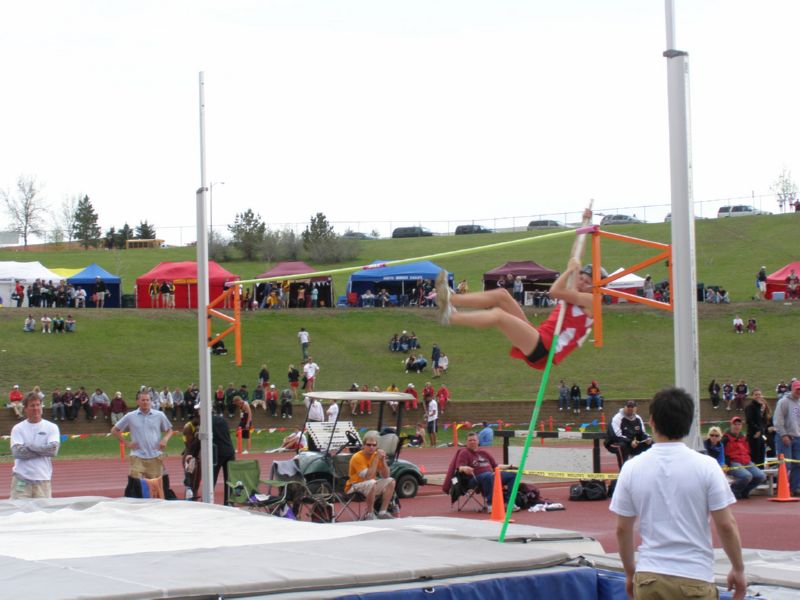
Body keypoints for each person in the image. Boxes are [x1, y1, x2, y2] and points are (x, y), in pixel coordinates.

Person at [610, 388, 745, 600]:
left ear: (652, 422)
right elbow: (726, 525)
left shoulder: (631, 468)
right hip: (694, 576)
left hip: (650, 576)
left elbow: (622, 529)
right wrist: (738, 568)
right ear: (690, 424)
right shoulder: (707, 466)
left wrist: (629, 572)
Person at [435, 209, 595, 371]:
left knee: (499, 316)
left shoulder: (591, 302)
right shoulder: (575, 294)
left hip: (545, 349)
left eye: (587, 282)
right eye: (581, 278)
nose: (581, 282)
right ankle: (450, 298)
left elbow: (555, 290)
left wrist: (569, 270)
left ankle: (452, 317)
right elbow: (576, 256)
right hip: (538, 335)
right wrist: (585, 223)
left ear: (595, 287)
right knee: (502, 295)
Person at [111, 390, 174, 479]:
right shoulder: (130, 416)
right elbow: (114, 430)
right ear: (138, 401)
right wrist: (127, 443)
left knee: (154, 485)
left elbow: (170, 430)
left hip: (154, 455)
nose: (145, 402)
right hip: (137, 455)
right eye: (143, 400)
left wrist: (165, 439)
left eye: (148, 400)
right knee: (135, 483)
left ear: (151, 401)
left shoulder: (159, 415)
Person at [9, 392, 60, 499]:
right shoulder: (18, 428)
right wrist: (42, 449)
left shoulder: (52, 427)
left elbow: (53, 450)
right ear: (25, 409)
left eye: (38, 405)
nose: (36, 408)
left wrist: (30, 447)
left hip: (43, 480)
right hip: (21, 480)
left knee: (43, 514)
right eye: (32, 405)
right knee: (18, 513)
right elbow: (18, 453)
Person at [451, 432, 517, 510]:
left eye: (474, 440)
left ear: (478, 441)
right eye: (470, 440)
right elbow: (459, 467)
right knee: (488, 476)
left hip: (491, 475)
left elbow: (495, 466)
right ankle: (490, 504)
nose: (472, 442)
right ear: (466, 442)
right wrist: (465, 468)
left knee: (513, 475)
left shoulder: (484, 452)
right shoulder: (464, 453)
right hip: (474, 479)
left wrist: (510, 466)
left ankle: (509, 502)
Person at [346, 430, 396, 520]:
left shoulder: (376, 455)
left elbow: (386, 476)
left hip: (370, 485)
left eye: (374, 445)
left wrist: (383, 460)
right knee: (372, 482)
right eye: (368, 445)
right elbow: (367, 477)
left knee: (391, 481)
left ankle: (382, 512)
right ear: (363, 446)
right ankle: (370, 514)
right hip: (354, 485)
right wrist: (377, 458)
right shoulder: (357, 457)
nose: (371, 447)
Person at [722, 416, 766, 499]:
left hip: (746, 461)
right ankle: (733, 491)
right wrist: (726, 463)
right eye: (735, 424)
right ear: (731, 425)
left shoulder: (744, 438)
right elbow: (721, 452)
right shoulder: (725, 439)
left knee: (761, 476)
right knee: (746, 476)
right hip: (732, 462)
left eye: (739, 424)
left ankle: (744, 491)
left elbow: (748, 450)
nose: (737, 426)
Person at [774, 380, 800, 496]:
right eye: (797, 389)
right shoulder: (784, 402)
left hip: (797, 436)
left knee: (798, 464)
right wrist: (783, 434)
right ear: (793, 389)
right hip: (785, 436)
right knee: (785, 465)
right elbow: (778, 420)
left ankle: (794, 488)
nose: (799, 392)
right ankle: (781, 488)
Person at [744, 388, 773, 467]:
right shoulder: (750, 407)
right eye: (756, 395)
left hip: (761, 435)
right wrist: (757, 430)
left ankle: (761, 473)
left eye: (759, 394)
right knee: (755, 456)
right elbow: (749, 420)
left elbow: (763, 422)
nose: (758, 396)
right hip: (753, 435)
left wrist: (763, 411)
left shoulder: (760, 407)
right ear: (752, 396)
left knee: (761, 456)